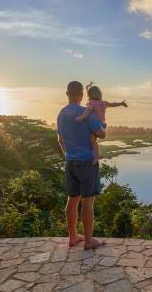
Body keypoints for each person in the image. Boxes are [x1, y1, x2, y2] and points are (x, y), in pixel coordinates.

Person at [57, 81, 105, 249]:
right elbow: (101, 133)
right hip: (86, 162)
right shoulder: (86, 112)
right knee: (87, 201)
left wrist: (68, 154)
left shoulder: (61, 114)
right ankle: (88, 240)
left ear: (67, 93)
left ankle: (72, 237)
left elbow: (60, 140)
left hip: (70, 162)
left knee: (72, 199)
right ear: (81, 95)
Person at [76, 82, 128, 163]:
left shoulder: (91, 103)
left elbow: (88, 110)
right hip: (102, 124)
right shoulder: (103, 103)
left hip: (97, 124)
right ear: (99, 94)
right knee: (93, 141)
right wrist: (121, 103)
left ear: (89, 95)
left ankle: (96, 157)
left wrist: (82, 117)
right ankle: (95, 156)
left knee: (92, 141)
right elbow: (112, 104)